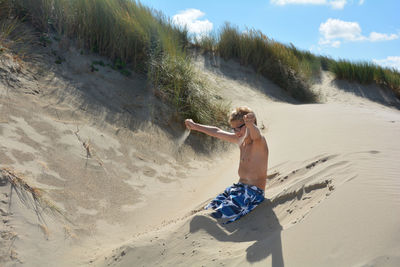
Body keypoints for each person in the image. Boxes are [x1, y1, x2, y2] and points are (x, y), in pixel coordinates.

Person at [185, 106, 269, 223]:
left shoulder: (259, 143)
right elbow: (217, 131)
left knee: (216, 217)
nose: (237, 132)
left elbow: (256, 134)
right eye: (234, 129)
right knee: (208, 210)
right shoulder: (241, 141)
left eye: (240, 127)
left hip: (252, 193)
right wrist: (195, 126)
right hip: (236, 188)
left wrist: (250, 124)